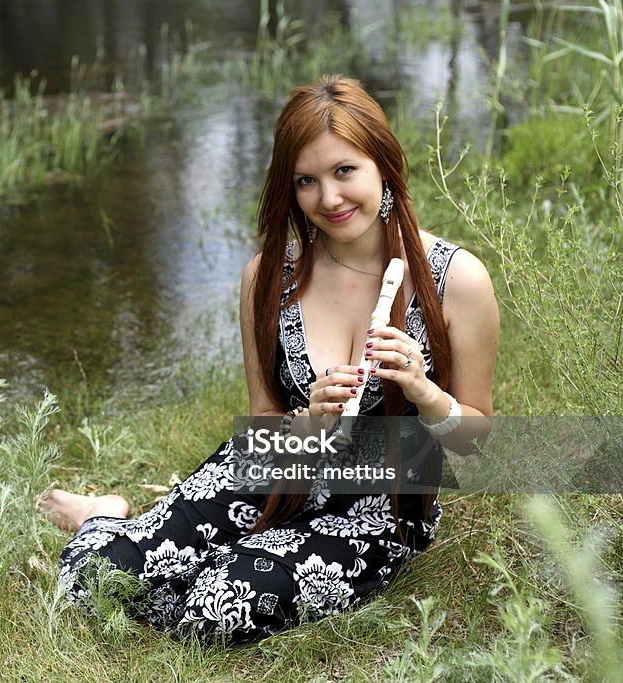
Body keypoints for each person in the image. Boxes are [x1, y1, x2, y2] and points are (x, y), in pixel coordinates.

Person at [38, 74, 499, 645]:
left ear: (383, 163)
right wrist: (309, 423)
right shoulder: (267, 277)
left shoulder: (458, 279)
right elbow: (262, 425)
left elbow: (477, 444)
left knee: (215, 611)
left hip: (377, 510)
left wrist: (425, 391)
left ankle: (199, 560)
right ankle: (102, 516)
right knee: (97, 585)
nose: (328, 199)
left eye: (344, 171)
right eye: (307, 181)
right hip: (277, 472)